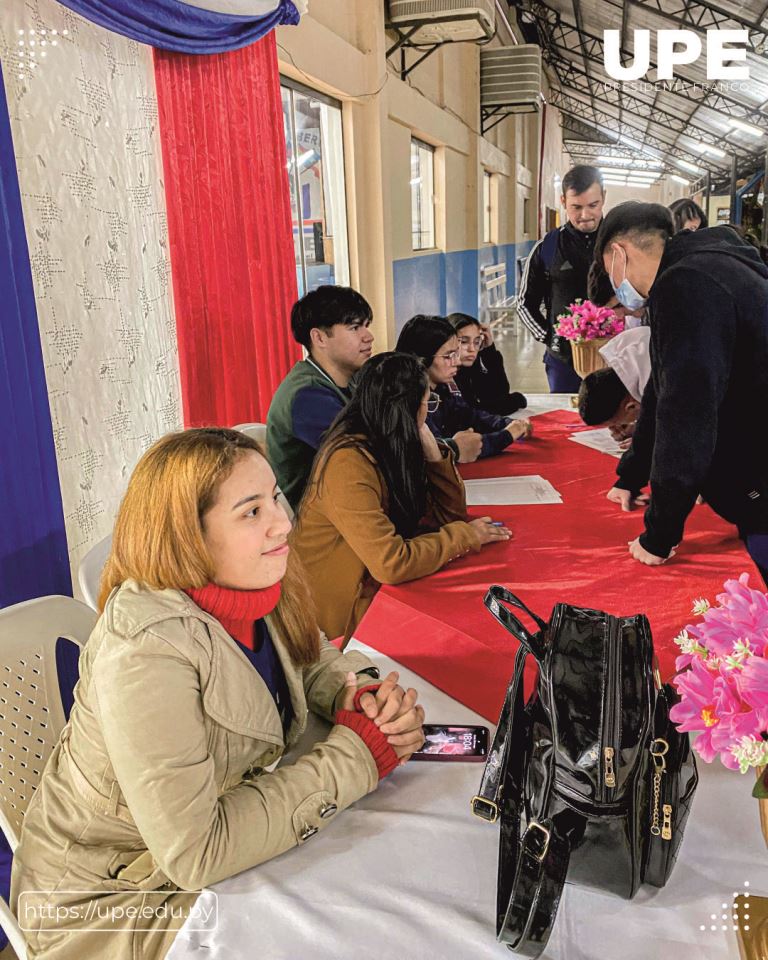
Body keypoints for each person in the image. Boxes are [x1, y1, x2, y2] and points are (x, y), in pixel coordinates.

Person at [12, 428, 425, 960]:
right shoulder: (146, 652)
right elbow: (196, 854)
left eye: (275, 496)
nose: (284, 521)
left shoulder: (252, 580)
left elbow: (312, 655)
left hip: (186, 855)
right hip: (113, 901)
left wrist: (359, 694)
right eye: (251, 511)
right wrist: (358, 754)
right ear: (189, 535)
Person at [594, 201, 768, 585]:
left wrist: (660, 533)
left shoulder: (686, 285)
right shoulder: (707, 267)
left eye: (611, 273)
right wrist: (632, 474)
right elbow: (663, 386)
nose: (619, 289)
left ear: (620, 253)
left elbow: (686, 412)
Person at [292, 353, 512, 643]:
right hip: (338, 623)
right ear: (408, 408)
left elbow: (450, 517)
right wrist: (464, 536)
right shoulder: (347, 463)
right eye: (427, 403)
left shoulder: (391, 442)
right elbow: (391, 563)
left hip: (374, 591)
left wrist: (435, 457)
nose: (428, 413)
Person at [267, 285, 374, 510]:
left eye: (366, 326)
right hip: (319, 526)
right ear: (319, 338)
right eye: (355, 328)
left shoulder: (352, 379)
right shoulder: (306, 396)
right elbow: (369, 453)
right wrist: (450, 448)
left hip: (348, 506)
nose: (368, 337)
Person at [517, 165, 606, 393]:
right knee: (565, 421)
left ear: (603, 197)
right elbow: (524, 303)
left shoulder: (620, 243)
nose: (585, 215)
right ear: (563, 201)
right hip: (563, 362)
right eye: (576, 207)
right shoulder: (548, 247)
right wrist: (550, 337)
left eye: (592, 205)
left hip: (615, 358)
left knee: (616, 423)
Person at [395, 315, 531, 461]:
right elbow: (439, 452)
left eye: (477, 342)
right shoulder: (409, 399)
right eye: (448, 356)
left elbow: (470, 413)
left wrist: (510, 424)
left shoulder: (441, 388)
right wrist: (507, 435)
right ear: (421, 358)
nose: (456, 361)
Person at [447, 312, 528, 415]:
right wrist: (515, 401)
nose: (472, 349)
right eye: (463, 341)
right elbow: (473, 413)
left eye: (476, 342)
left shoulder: (469, 366)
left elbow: (499, 394)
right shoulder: (445, 373)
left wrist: (489, 350)